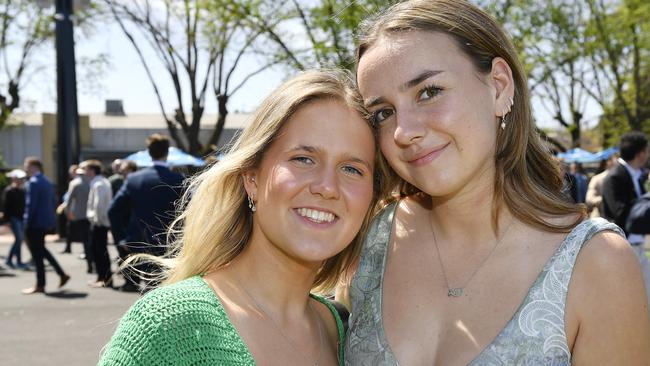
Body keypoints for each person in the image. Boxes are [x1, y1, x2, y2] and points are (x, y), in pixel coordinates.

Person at [343, 1, 650, 364]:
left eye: (429, 91)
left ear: (500, 86)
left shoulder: (597, 263)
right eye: (383, 113)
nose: (404, 132)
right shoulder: (368, 239)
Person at [99, 70, 388, 365]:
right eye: (303, 159)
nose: (327, 187)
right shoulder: (168, 327)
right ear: (251, 178)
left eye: (352, 169)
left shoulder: (340, 330)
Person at [108, 134, 184, 292]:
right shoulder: (178, 179)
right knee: (166, 290)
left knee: (148, 291)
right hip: (170, 243)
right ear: (167, 153)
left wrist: (121, 239)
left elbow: (113, 210)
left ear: (149, 153)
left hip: (139, 241)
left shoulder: (134, 179)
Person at [601, 132, 650, 306]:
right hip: (620, 248)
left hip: (636, 247)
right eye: (647, 150)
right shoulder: (615, 177)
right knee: (625, 302)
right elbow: (619, 213)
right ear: (640, 153)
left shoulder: (637, 175)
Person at [22, 157, 71, 294]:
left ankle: (40, 284)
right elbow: (52, 203)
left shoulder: (33, 182)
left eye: (27, 166)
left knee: (37, 255)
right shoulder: (47, 182)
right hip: (43, 223)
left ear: (33, 167)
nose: (25, 169)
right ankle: (61, 274)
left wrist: (26, 222)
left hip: (34, 224)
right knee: (41, 250)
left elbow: (30, 206)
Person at [82, 160, 113, 288]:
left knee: (99, 251)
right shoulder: (101, 181)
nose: (84, 172)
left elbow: (98, 205)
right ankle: (103, 278)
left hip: (99, 223)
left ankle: (105, 279)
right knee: (98, 250)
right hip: (100, 221)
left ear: (92, 170)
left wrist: (97, 220)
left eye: (86, 169)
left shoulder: (98, 183)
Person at [3, 169, 27, 269]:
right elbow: (5, 207)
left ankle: (18, 261)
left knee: (19, 239)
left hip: (21, 218)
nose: (21, 181)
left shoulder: (22, 191)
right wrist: (7, 220)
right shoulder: (9, 191)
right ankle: (9, 260)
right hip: (13, 218)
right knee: (19, 239)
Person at [586, 153, 617, 218]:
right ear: (608, 162)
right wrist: (606, 199)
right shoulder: (597, 179)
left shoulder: (622, 178)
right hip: (600, 219)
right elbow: (589, 199)